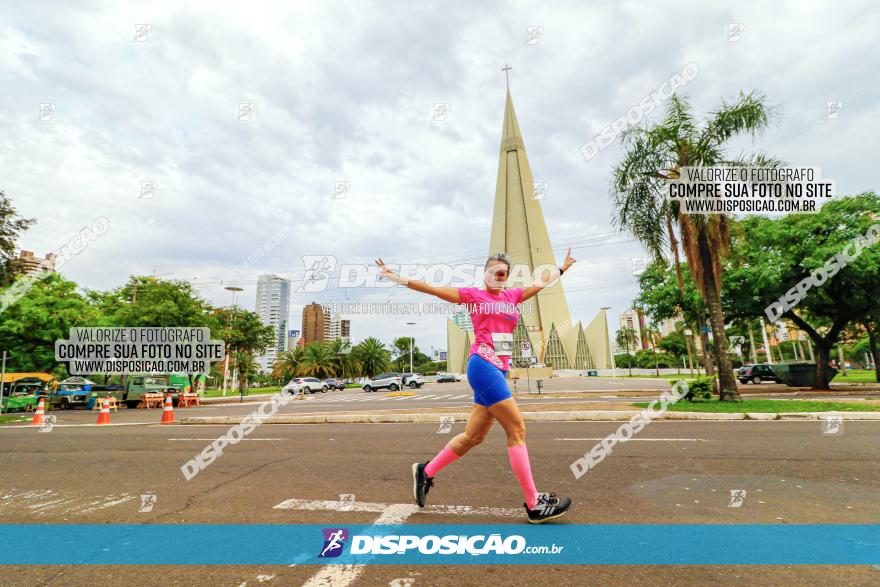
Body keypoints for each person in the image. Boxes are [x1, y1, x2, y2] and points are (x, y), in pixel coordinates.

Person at [374, 250, 576, 524]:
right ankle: (533, 503)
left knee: (473, 437)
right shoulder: (474, 296)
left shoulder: (512, 297)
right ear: (485, 274)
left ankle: (426, 471)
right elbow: (433, 289)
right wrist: (396, 278)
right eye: (492, 271)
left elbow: (540, 284)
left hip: (498, 370)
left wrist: (562, 268)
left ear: (506, 277)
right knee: (516, 428)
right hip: (482, 365)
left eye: (502, 273)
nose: (497, 276)